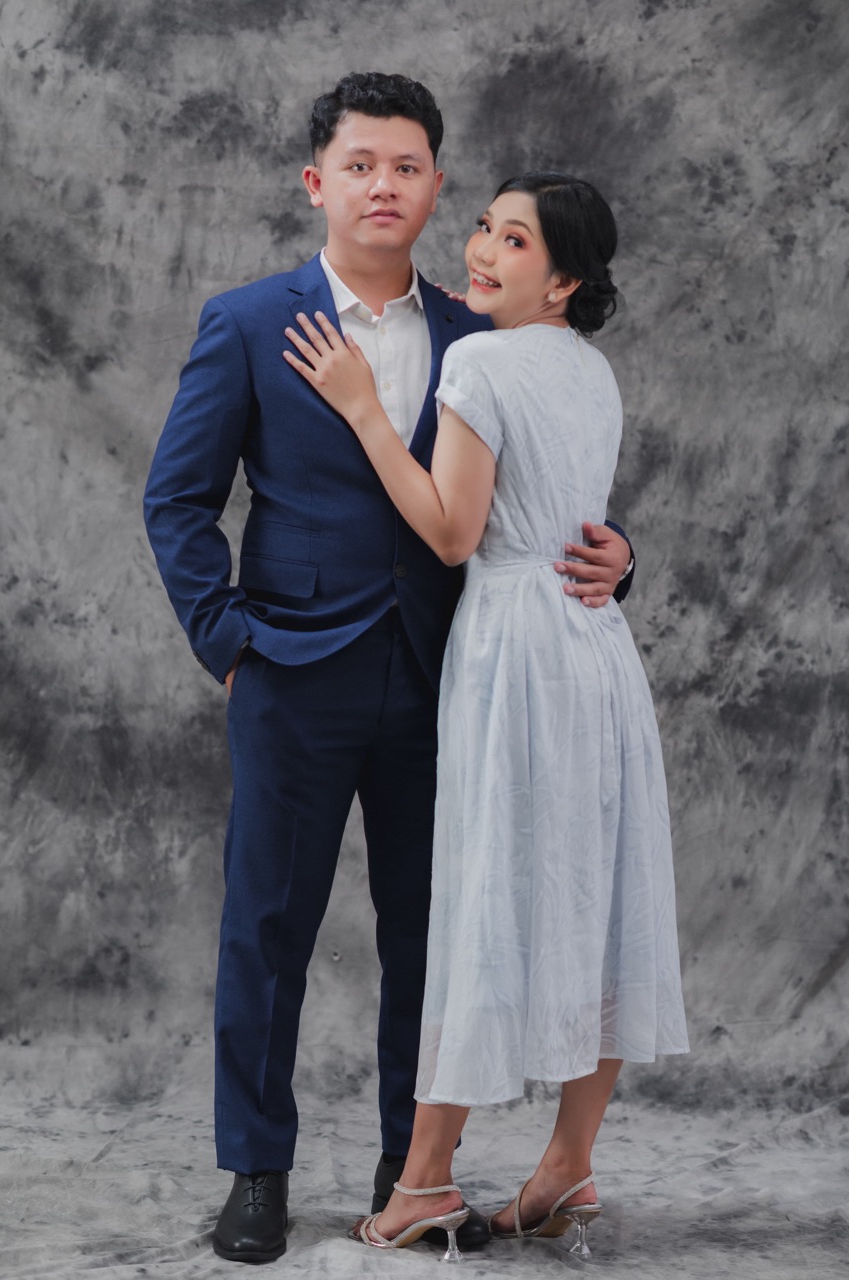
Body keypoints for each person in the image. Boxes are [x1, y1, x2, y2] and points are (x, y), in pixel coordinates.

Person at [143, 72, 635, 1266]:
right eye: (359, 165)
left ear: (434, 186)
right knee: (268, 928)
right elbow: (177, 500)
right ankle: (256, 1169)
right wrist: (228, 644)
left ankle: (406, 1169)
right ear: (318, 182)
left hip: (445, 676)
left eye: (406, 167)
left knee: (435, 933)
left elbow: (538, 485)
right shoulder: (247, 322)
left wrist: (618, 558)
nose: (383, 185)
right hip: (289, 669)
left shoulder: (483, 331)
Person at [283, 170, 689, 1260]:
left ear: (561, 283)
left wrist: (365, 409)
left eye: (515, 241)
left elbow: (454, 533)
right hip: (595, 647)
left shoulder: (480, 360)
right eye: (484, 226)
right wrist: (621, 558)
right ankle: (569, 1164)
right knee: (594, 894)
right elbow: (577, 522)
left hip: (516, 643)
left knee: (483, 899)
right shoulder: (590, 370)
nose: (481, 249)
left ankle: (423, 1181)